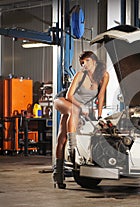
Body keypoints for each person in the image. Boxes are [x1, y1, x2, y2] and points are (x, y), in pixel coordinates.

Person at [52, 51, 109, 189]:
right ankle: (73, 149)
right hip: (63, 101)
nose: (84, 64)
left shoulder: (104, 76)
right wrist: (81, 106)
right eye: (82, 62)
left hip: (76, 109)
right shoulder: (80, 75)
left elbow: (101, 97)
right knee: (74, 110)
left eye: (87, 61)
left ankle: (58, 175)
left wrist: (100, 116)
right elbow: (69, 96)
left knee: (62, 137)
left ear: (94, 61)